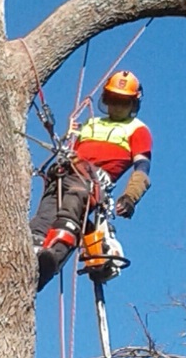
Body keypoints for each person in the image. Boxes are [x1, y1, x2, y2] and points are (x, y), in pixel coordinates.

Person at [30, 70, 153, 292]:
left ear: (133, 104)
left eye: (122, 102)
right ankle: (33, 247)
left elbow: (142, 167)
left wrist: (131, 196)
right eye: (113, 100)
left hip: (92, 181)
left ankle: (51, 258)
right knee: (46, 212)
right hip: (65, 172)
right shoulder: (91, 124)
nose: (116, 106)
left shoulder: (138, 129)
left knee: (73, 204)